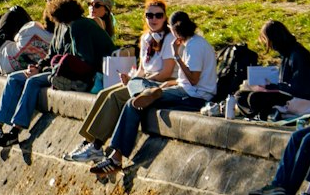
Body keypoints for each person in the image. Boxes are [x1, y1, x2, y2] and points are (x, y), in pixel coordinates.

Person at [0, 0, 113, 148]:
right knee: (14, 78)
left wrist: (44, 70)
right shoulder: (61, 27)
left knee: (33, 81)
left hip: (84, 75)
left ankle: (15, 131)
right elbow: (51, 55)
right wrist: (37, 68)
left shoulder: (80, 26)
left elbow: (84, 61)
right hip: (59, 69)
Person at [89, 10, 216, 180]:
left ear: (173, 29)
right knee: (135, 82)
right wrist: (167, 84)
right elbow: (186, 80)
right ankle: (146, 92)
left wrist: (176, 56)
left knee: (132, 103)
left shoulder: (194, 46)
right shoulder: (194, 43)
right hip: (185, 90)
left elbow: (193, 80)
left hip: (194, 98)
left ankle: (116, 158)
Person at [60, 0, 178, 166]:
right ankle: (87, 141)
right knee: (104, 93)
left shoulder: (169, 38)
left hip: (160, 85)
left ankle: (97, 145)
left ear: (165, 17)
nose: (153, 19)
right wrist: (132, 77)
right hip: (144, 81)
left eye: (158, 15)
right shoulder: (146, 38)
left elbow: (166, 73)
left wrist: (139, 79)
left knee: (116, 97)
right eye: (149, 15)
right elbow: (142, 68)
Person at [236, 20, 310, 118]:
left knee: (254, 97)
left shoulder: (299, 54)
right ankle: (265, 112)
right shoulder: (286, 54)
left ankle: (265, 112)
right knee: (240, 95)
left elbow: (300, 89)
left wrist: (274, 87)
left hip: (299, 98)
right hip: (285, 93)